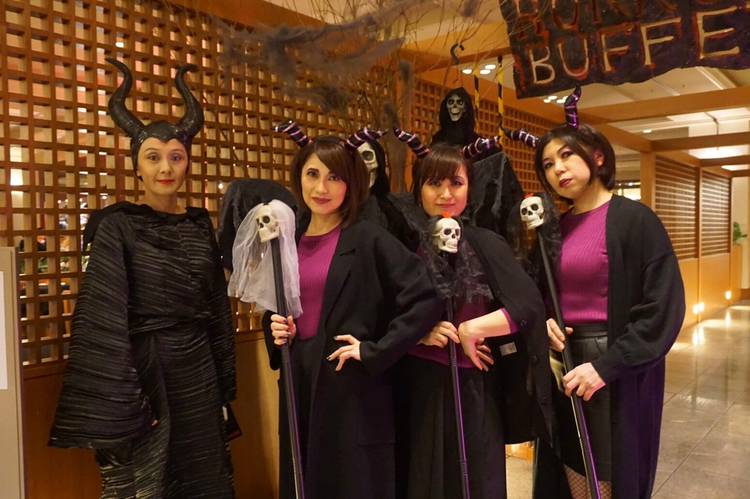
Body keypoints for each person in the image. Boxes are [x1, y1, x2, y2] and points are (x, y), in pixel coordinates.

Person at [49, 58, 236, 498]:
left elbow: (217, 308)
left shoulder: (199, 225)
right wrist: (122, 396)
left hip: (198, 367)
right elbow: (101, 316)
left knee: (204, 473)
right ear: (137, 166)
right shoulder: (117, 226)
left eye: (175, 157)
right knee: (148, 476)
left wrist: (224, 388)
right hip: (144, 369)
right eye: (153, 157)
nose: (165, 168)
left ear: (187, 164)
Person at [513, 88, 685, 499]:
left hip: (612, 368)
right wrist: (545, 323)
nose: (558, 169)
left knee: (607, 476)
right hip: (565, 365)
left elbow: (663, 307)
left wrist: (606, 367)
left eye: (566, 156)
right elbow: (538, 295)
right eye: (548, 164)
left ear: (597, 157)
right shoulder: (554, 228)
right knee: (569, 469)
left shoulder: (635, 221)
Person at [266, 123, 442, 499]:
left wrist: (374, 349)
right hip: (300, 382)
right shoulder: (288, 240)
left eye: (334, 177)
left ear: (351, 184)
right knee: (303, 480)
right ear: (299, 178)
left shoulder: (367, 237)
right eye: (312, 174)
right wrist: (277, 328)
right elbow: (282, 308)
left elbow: (425, 298)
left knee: (353, 483)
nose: (322, 188)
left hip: (352, 388)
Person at [392, 132, 554, 499]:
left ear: (470, 188)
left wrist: (471, 328)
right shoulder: (404, 245)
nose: (445, 193)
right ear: (419, 190)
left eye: (456, 183)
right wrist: (418, 331)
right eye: (434, 183)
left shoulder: (486, 242)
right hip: (418, 384)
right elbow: (386, 314)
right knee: (424, 477)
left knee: (475, 478)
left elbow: (527, 307)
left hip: (473, 383)